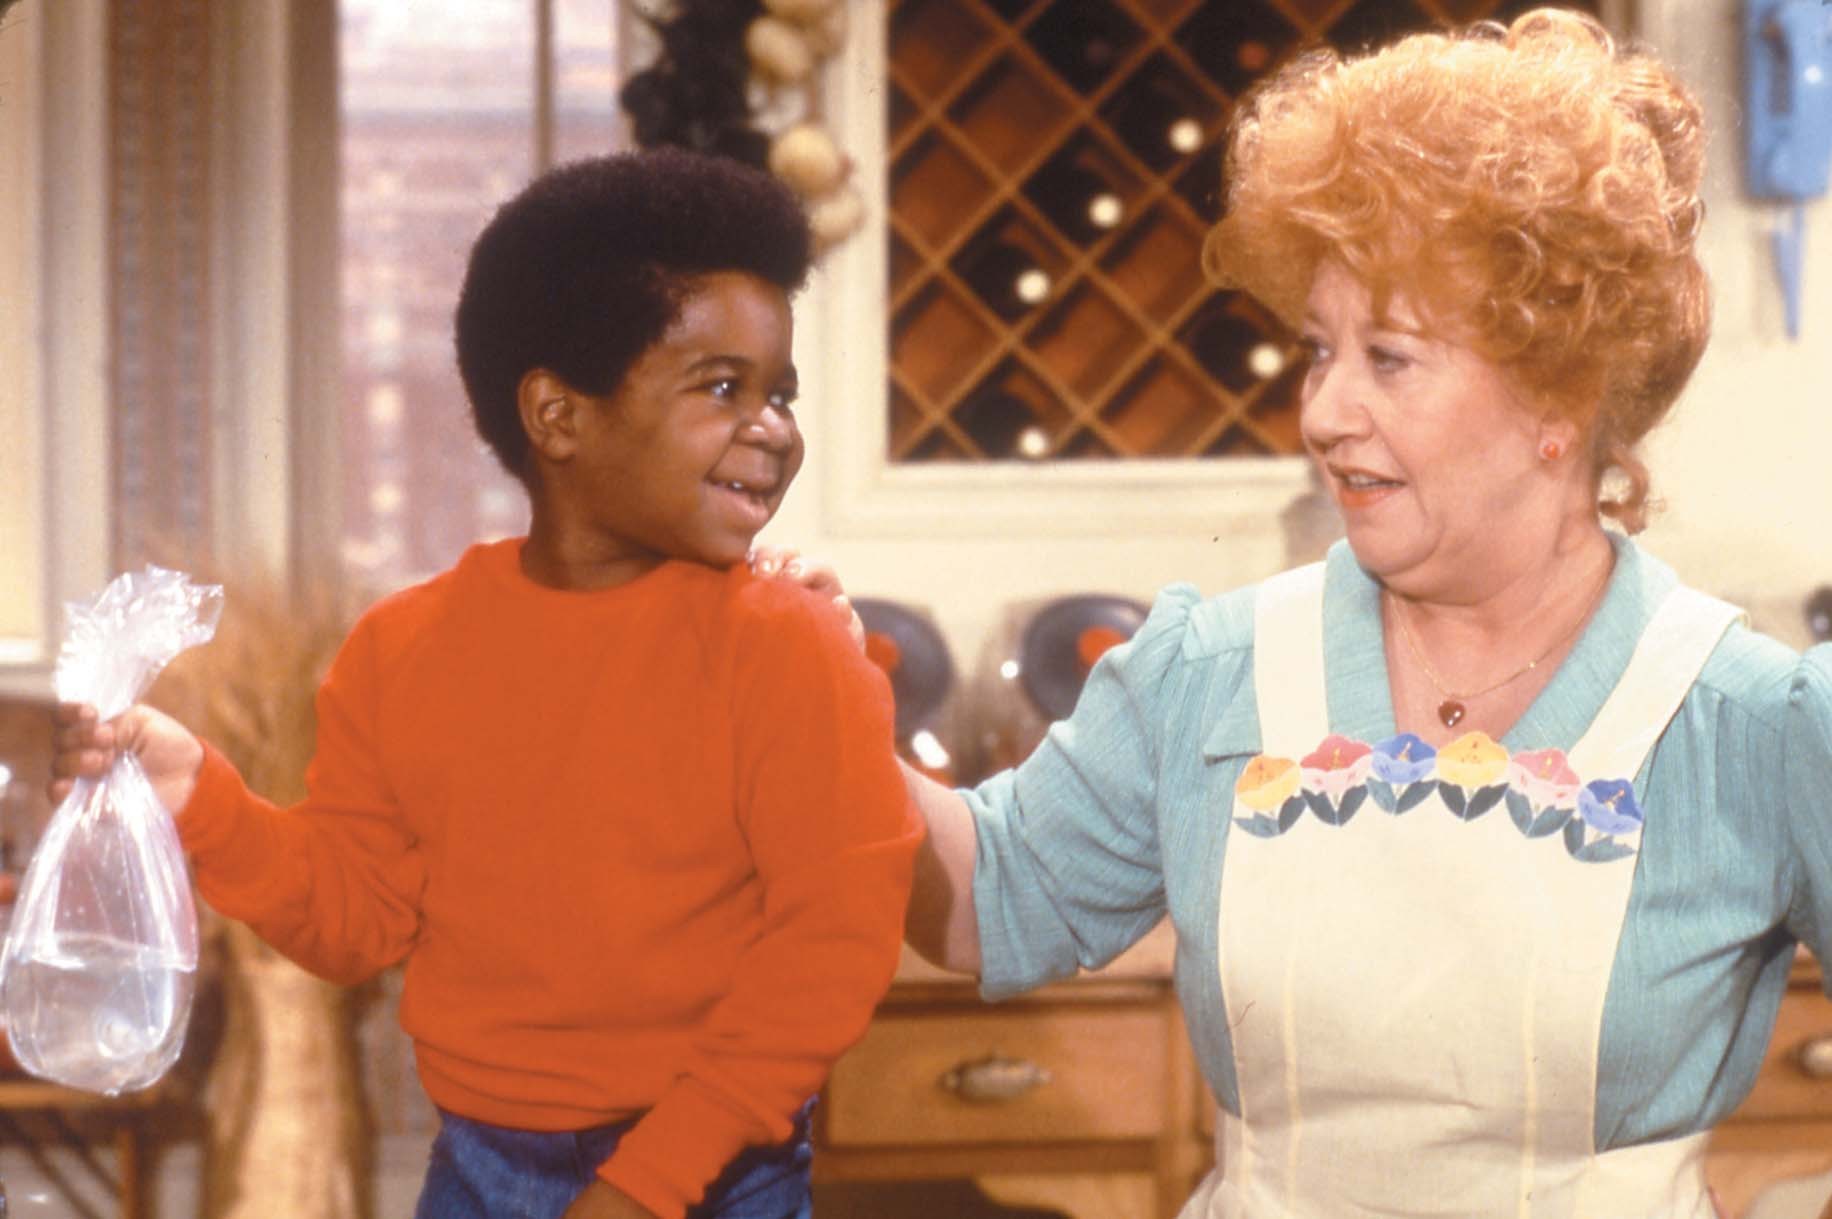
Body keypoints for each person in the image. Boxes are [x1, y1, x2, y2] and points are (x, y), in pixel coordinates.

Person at [853, 10, 1832, 1217]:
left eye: (1389, 358)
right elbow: (989, 894)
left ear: (1559, 396)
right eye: (1318, 350)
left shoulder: (1750, 725)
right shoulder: (1211, 673)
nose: (1321, 413)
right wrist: (797, 679)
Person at [50, 148, 921, 1219]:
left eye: (778, 392)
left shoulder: (792, 646)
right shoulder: (402, 648)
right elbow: (356, 919)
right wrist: (204, 799)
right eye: (720, 387)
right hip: (477, 1173)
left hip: (714, 1173)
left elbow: (828, 953)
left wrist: (646, 1184)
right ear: (557, 416)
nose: (773, 428)